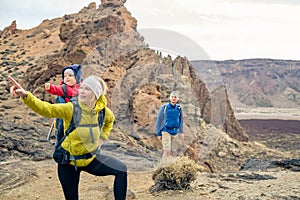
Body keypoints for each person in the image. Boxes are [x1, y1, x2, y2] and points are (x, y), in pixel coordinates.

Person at [9, 75, 127, 200]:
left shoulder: (102, 111)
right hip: (68, 162)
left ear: (96, 95)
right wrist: (26, 95)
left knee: (121, 170)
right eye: (82, 88)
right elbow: (46, 109)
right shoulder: (72, 108)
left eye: (87, 89)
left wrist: (102, 138)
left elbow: (110, 121)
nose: (81, 91)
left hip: (89, 159)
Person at [156, 91, 184, 159]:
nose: (174, 98)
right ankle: (162, 166)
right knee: (167, 151)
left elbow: (181, 120)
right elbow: (159, 120)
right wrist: (158, 133)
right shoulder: (164, 107)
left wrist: (181, 132)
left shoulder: (179, 108)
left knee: (174, 152)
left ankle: (171, 166)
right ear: (170, 98)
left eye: (175, 97)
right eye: (172, 97)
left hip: (175, 132)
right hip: (166, 131)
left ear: (177, 99)